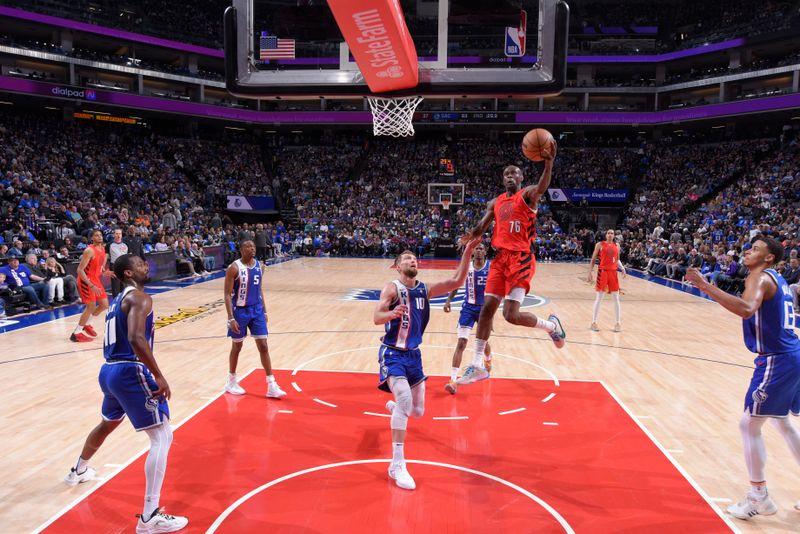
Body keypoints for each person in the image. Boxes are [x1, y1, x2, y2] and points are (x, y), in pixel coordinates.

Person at [64, 254, 188, 533]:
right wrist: (158, 374)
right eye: (142, 264)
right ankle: (149, 517)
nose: (147, 266)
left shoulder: (118, 301)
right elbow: (135, 338)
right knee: (162, 435)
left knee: (107, 423)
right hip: (128, 370)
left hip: (108, 370)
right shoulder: (140, 298)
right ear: (130, 273)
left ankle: (78, 470)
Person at [686, 236, 800, 520]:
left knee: (748, 424)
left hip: (777, 360)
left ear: (769, 257)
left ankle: (758, 496)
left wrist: (704, 285)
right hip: (791, 354)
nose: (748, 251)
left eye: (756, 248)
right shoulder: (778, 279)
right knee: (782, 421)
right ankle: (760, 495)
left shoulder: (759, 277)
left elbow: (747, 309)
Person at [374, 239, 480, 490]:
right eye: (407, 259)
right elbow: (376, 317)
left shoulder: (424, 289)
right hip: (393, 353)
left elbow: (455, 281)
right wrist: (391, 314)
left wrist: (466, 253)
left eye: (414, 259)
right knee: (404, 400)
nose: (413, 261)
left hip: (414, 356)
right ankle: (397, 464)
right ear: (397, 266)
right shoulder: (392, 288)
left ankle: (395, 408)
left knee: (418, 411)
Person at [457, 143, 566, 384]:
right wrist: (471, 236)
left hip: (522, 259)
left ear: (521, 177)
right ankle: (477, 365)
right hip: (500, 259)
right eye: (506, 174)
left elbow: (542, 187)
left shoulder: (527, 195)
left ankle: (551, 326)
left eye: (514, 173)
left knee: (510, 315)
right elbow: (483, 225)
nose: (509, 177)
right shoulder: (496, 202)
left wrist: (548, 163)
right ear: (502, 178)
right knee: (486, 310)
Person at [223, 240, 286, 398]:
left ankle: (271, 384)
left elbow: (259, 289)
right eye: (248, 246)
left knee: (263, 345)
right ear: (241, 249)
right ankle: (231, 381)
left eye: (253, 246)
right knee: (237, 347)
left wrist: (265, 310)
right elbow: (227, 294)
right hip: (240, 312)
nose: (252, 248)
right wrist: (230, 318)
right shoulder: (233, 268)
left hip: (256, 310)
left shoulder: (260, 266)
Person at [442, 242, 492, 393]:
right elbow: (456, 285)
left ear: (485, 252)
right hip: (468, 308)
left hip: (484, 309)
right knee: (461, 342)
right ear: (472, 252)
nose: (478, 251)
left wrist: (491, 314)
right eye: (476, 248)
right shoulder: (467, 267)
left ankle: (488, 360)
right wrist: (448, 300)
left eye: (481, 248)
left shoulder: (491, 268)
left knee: (483, 343)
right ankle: (453, 380)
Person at [71, 230, 109, 342]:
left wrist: (104, 273)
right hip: (85, 280)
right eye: (97, 235)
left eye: (101, 235)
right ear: (92, 238)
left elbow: (97, 268)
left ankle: (87, 324)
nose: (100, 237)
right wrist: (91, 285)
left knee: (104, 304)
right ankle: (76, 333)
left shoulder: (102, 248)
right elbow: (80, 270)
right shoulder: (89, 251)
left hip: (95, 279)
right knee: (91, 306)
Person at [587, 229, 627, 332]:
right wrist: (590, 272)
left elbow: (617, 259)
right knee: (599, 298)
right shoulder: (600, 244)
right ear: (606, 235)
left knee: (616, 298)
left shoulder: (617, 245)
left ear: (614, 235)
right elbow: (593, 259)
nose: (610, 234)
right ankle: (594, 322)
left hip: (613, 273)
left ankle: (618, 323)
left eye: (612, 233)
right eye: (608, 233)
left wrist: (622, 268)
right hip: (603, 272)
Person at [107, 228, 129, 297]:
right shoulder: (109, 245)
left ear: (122, 235)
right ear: (114, 235)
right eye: (116, 234)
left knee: (123, 285)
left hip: (123, 266)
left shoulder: (125, 245)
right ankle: (116, 302)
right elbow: (105, 256)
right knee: (115, 286)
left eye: (120, 234)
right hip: (114, 266)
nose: (118, 235)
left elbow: (128, 256)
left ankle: (123, 301)